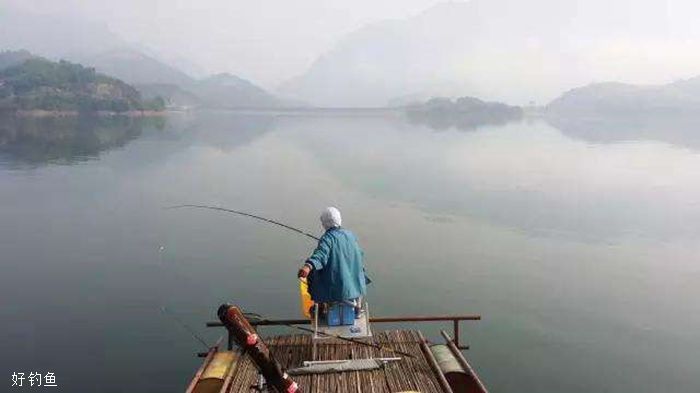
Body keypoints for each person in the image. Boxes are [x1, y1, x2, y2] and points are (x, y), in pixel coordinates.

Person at [297, 207, 367, 316]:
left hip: (338, 288)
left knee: (313, 275)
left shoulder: (327, 238)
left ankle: (320, 307)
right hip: (356, 283)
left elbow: (320, 254)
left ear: (325, 223)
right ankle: (358, 307)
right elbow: (360, 254)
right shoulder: (350, 235)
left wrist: (308, 266)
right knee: (359, 269)